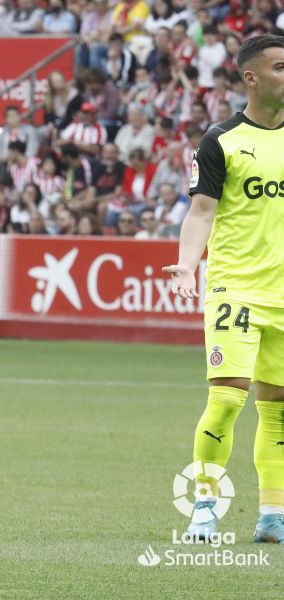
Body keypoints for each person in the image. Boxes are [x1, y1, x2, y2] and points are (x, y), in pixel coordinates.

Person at [163, 35, 284, 544]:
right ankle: (205, 509)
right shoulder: (221, 140)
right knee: (227, 399)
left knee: (277, 410)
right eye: (281, 67)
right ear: (251, 77)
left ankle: (272, 516)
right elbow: (202, 211)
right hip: (236, 288)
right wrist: (187, 265)